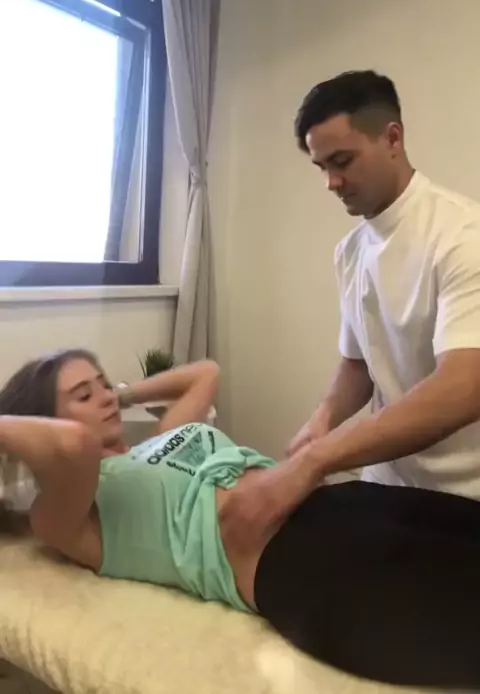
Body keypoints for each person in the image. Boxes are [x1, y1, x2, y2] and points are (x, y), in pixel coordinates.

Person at [2, 350, 480, 689]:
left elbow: (205, 373)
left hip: (337, 501)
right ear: (46, 418)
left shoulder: (163, 436)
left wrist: (120, 395)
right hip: (297, 562)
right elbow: (72, 445)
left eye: (102, 383)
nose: (105, 397)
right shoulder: (72, 515)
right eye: (83, 396)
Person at [283, 69, 480, 500]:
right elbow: (359, 365)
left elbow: (464, 385)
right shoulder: (350, 251)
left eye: (342, 162)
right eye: (321, 167)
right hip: (386, 486)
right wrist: (321, 422)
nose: (331, 183)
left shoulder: (463, 235)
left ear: (393, 139)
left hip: (465, 499)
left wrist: (323, 456)